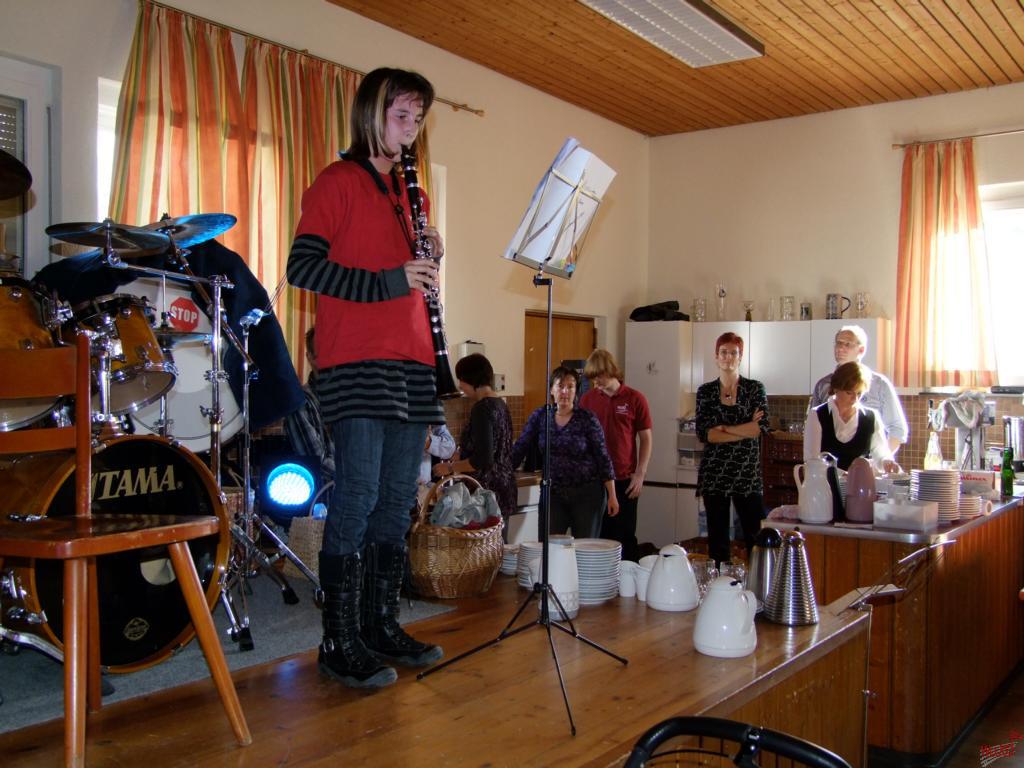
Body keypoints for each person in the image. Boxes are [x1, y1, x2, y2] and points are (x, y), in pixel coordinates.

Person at [286, 67, 445, 690]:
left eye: (418, 120)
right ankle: (338, 640)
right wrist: (390, 280)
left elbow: (409, 273)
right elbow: (303, 268)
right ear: (371, 115)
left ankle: (379, 625)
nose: (410, 131)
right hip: (356, 357)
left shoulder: (411, 195)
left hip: (413, 358)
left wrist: (429, 253)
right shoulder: (337, 181)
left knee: (397, 498)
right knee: (356, 496)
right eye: (402, 116)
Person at [511, 366, 618, 538]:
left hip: (587, 494)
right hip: (553, 494)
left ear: (576, 391)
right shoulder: (541, 416)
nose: (565, 391)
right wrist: (502, 472)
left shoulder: (587, 418)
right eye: (560, 386)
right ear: (551, 390)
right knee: (549, 547)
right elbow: (520, 448)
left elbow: (603, 457)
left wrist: (612, 495)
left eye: (570, 386)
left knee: (584, 549)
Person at [695, 332, 770, 567]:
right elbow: (705, 434)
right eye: (724, 352)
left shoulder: (754, 388)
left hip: (747, 473)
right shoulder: (705, 391)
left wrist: (725, 428)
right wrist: (743, 428)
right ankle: (719, 583)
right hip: (715, 473)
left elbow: (759, 428)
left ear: (741, 356)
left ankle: (758, 583)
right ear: (716, 356)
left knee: (755, 537)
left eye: (733, 353)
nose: (728, 357)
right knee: (717, 542)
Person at [579, 348, 652, 562]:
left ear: (610, 371)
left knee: (625, 536)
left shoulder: (635, 398)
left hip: (624, 479)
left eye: (599, 377)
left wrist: (640, 474)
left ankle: (628, 578)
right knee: (596, 538)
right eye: (593, 378)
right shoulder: (588, 400)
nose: (596, 382)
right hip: (595, 481)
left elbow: (646, 438)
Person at [433, 353, 516, 524]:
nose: (460, 385)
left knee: (483, 540)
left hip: (486, 493)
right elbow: (492, 447)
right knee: (497, 539)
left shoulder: (481, 408)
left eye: (461, 379)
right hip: (505, 488)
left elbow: (482, 459)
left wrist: (449, 468)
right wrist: (461, 454)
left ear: (471, 379)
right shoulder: (500, 404)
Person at [809, 325, 908, 456]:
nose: (840, 348)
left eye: (847, 344)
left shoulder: (879, 385)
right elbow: (813, 428)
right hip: (830, 463)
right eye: (838, 343)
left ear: (861, 350)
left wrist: (880, 460)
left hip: (867, 462)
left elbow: (897, 429)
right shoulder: (823, 385)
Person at [804, 361, 899, 473]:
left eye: (859, 393)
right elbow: (812, 461)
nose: (855, 399)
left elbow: (880, 453)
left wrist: (887, 462)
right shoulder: (817, 415)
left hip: (860, 482)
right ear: (836, 388)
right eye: (849, 393)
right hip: (824, 483)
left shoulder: (871, 417)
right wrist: (843, 474)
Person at [284, 327, 335, 484]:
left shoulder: (351, 397)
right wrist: (360, 474)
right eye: (323, 353)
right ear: (310, 358)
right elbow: (317, 463)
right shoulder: (300, 403)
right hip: (327, 496)